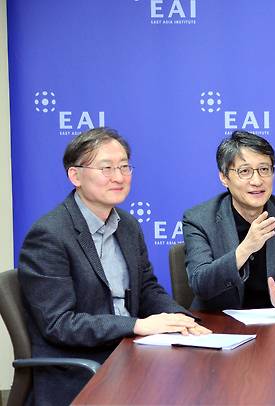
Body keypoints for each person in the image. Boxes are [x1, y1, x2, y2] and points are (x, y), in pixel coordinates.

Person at [18, 127, 210, 406]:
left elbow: (146, 289)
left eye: (124, 167)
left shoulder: (127, 225)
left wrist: (182, 320)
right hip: (83, 368)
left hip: (130, 352)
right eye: (106, 168)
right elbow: (59, 324)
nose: (119, 177)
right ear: (75, 176)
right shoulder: (49, 235)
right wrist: (137, 325)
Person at [182, 130, 275, 313]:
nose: (257, 181)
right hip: (219, 327)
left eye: (264, 169)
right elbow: (200, 284)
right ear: (224, 178)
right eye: (245, 171)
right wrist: (246, 248)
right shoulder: (199, 219)